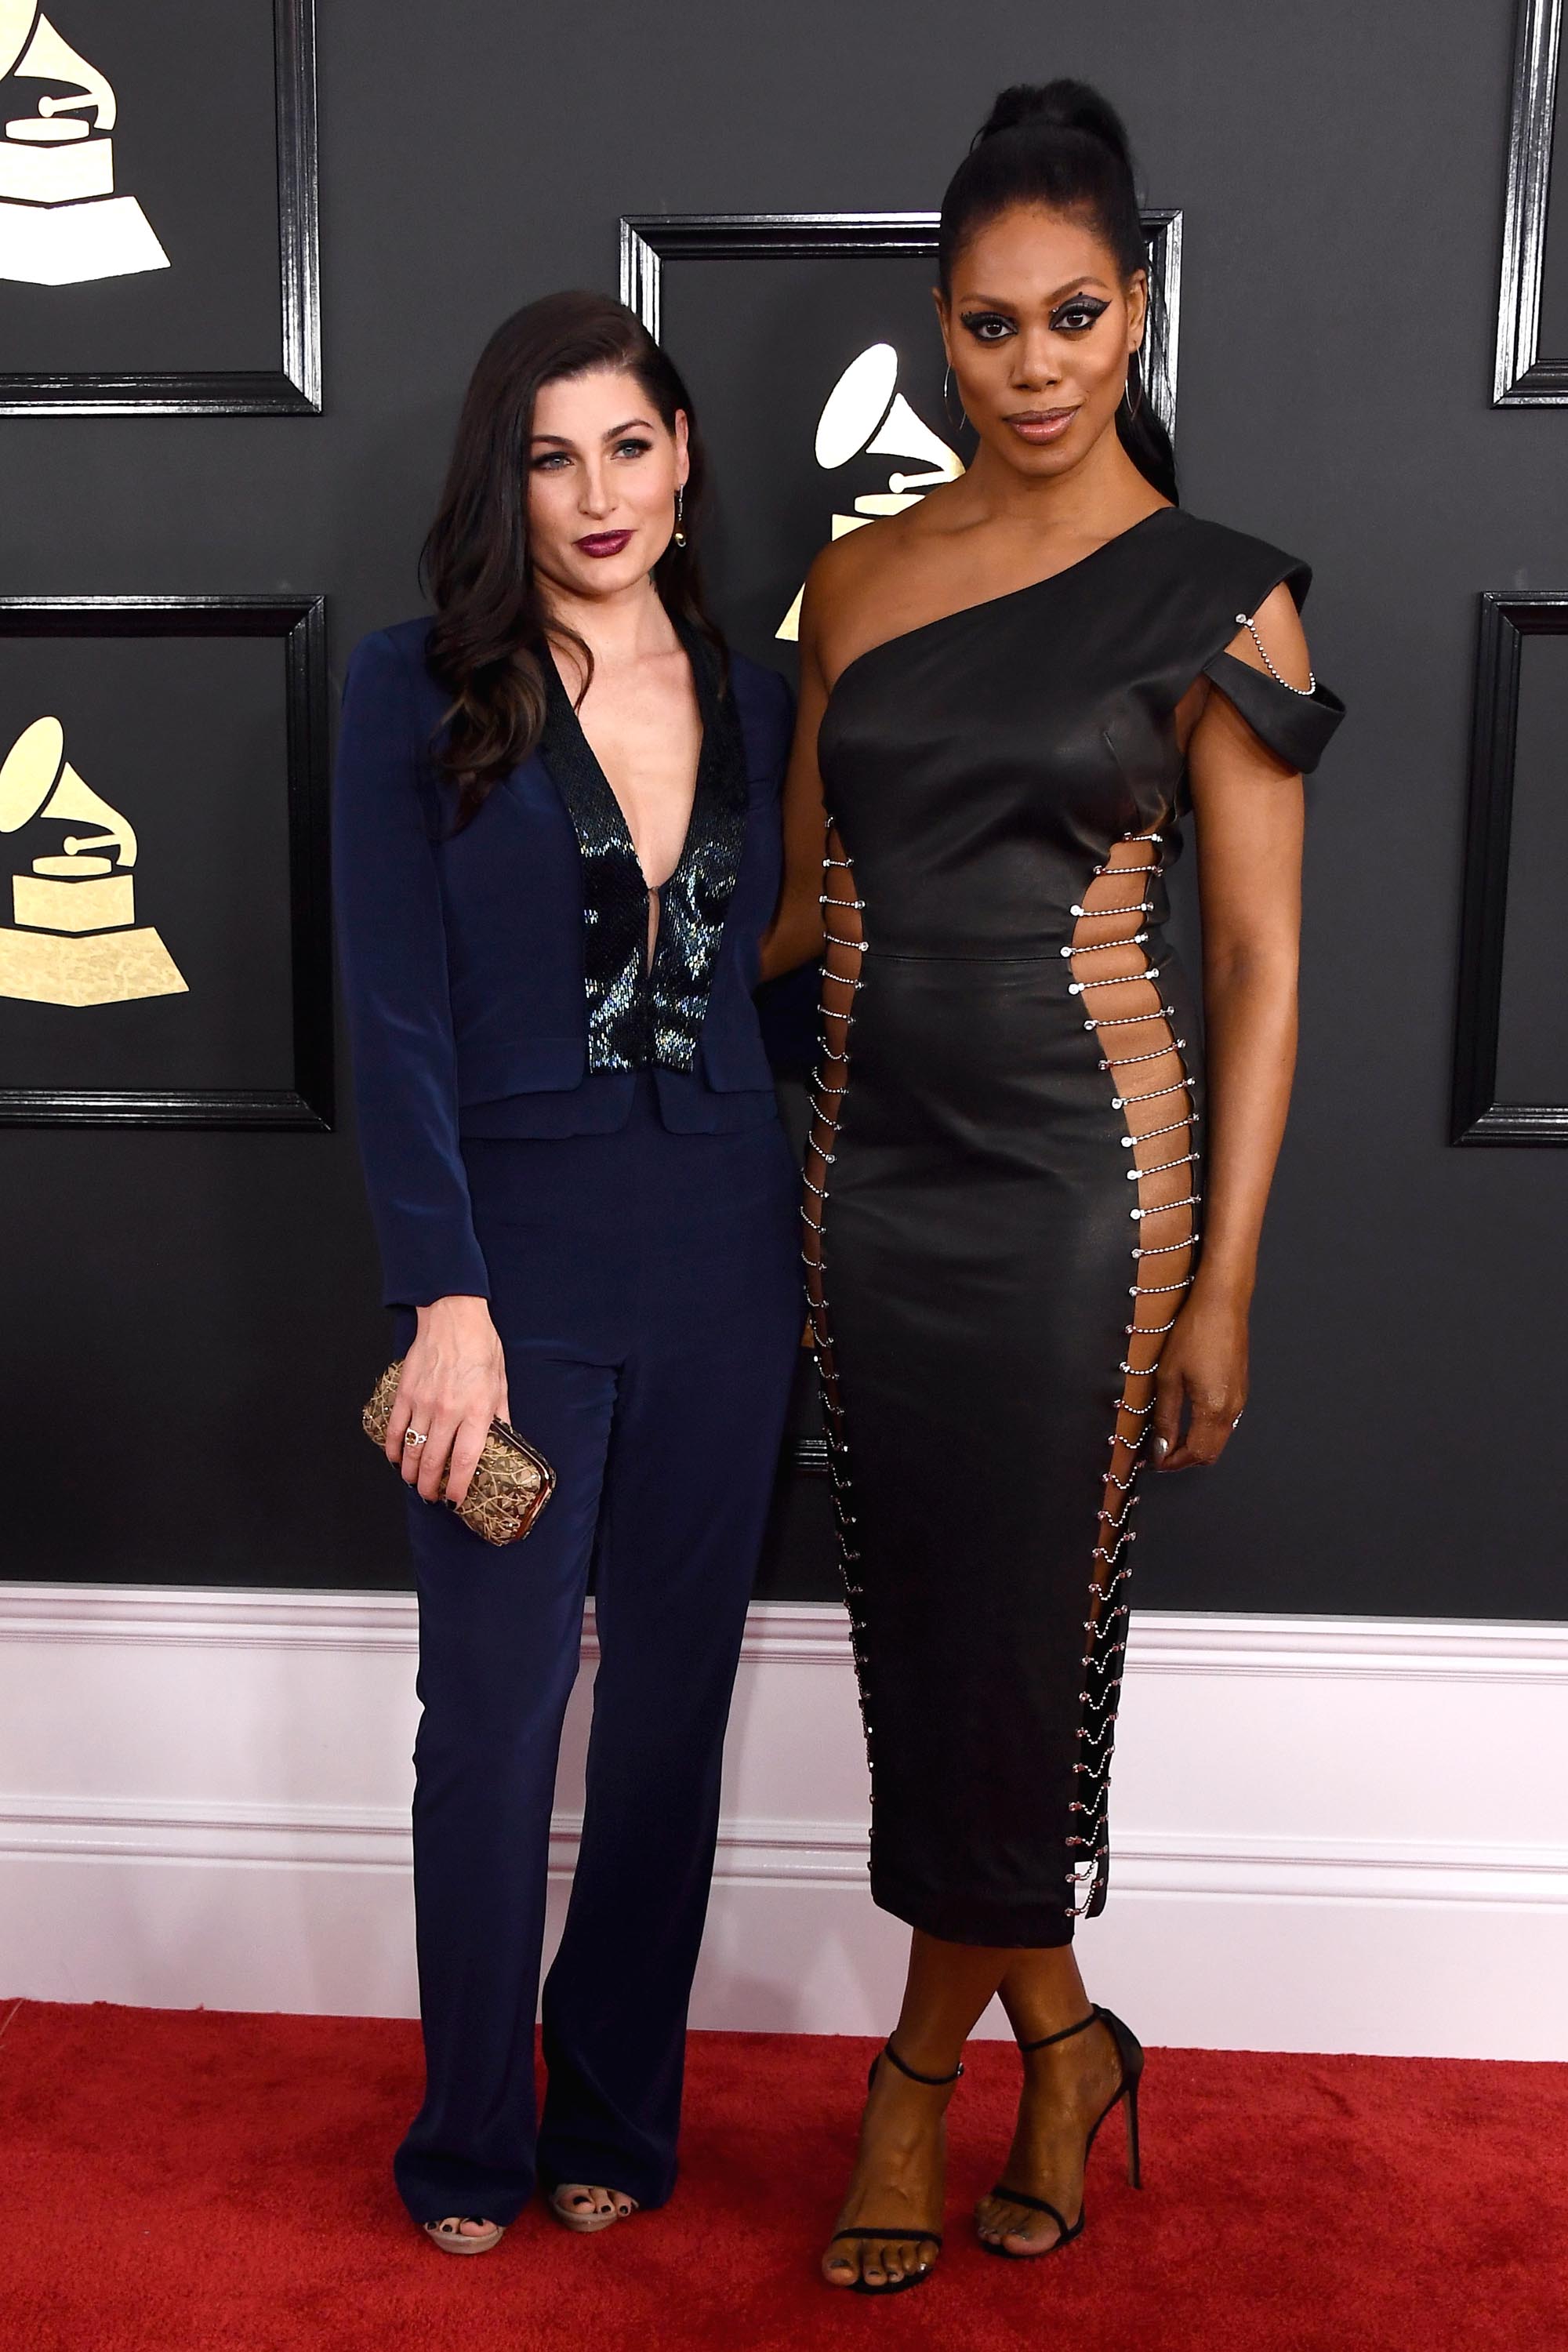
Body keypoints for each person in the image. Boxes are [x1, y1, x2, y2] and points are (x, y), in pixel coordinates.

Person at [763, 80, 1344, 2294]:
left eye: (1073, 315)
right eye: (989, 325)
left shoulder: (1225, 596)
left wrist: (1226, 1292)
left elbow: (1265, 968)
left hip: (1088, 1188)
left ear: (1137, 309)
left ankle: (924, 2078)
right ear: (940, 328)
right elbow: (811, 906)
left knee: (1025, 1637)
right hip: (863, 1175)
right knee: (927, 1641)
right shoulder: (853, 579)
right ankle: (1065, 2040)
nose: (1030, 365)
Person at [333, 292, 799, 2255]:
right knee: (496, 1717)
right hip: (509, 1277)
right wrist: (445, 1297)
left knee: (674, 1715)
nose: (593, 492)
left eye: (626, 444)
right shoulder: (410, 688)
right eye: (549, 455)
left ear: (684, 457)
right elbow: (393, 1011)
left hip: (723, 1257)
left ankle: (618, 2106)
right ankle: (466, 2136)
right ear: (502, 481)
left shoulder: (770, 697)